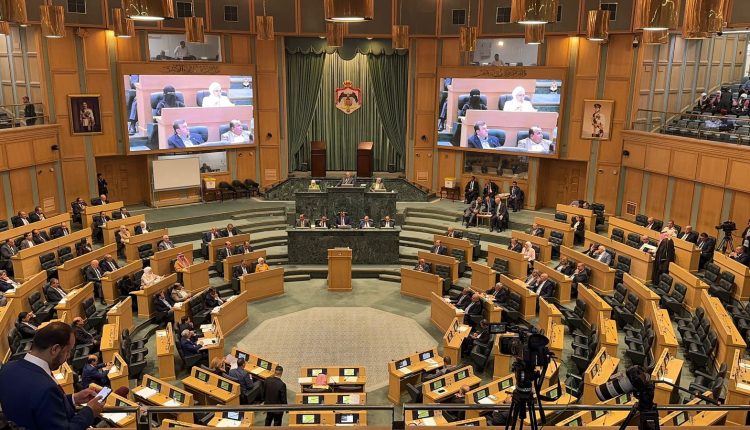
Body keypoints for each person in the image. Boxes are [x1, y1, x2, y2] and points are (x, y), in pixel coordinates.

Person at [0, 321, 105, 429]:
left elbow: (38, 408)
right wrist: (90, 411)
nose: (68, 356)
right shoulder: (46, 388)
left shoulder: (7, 368)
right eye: (68, 351)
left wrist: (74, 399)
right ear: (55, 349)